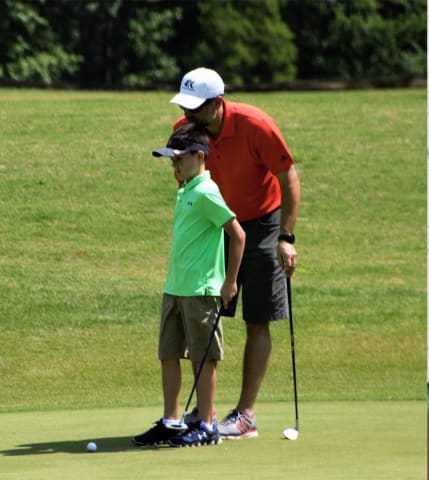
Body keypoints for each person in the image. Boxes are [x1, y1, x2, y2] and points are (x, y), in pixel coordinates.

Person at [168, 67, 300, 439]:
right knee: (206, 316)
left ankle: (245, 415)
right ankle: (205, 410)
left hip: (260, 223)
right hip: (215, 226)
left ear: (217, 103)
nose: (189, 115)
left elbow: (287, 175)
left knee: (257, 317)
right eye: (186, 107)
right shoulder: (186, 129)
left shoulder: (255, 124)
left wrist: (286, 237)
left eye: (196, 108)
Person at [133, 123, 246, 447]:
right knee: (168, 353)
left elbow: (238, 235)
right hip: (176, 287)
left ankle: (208, 425)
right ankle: (172, 421)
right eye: (171, 159)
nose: (174, 165)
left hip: (201, 290)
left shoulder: (207, 192)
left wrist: (229, 282)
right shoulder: (186, 190)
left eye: (179, 158)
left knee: (203, 358)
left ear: (199, 156)